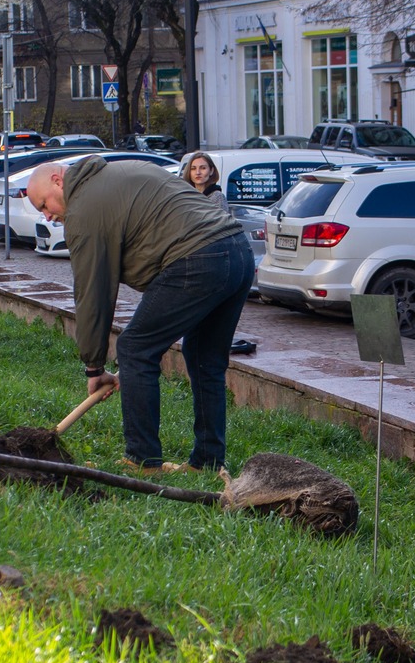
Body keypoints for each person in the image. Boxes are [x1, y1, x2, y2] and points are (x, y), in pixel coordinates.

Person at [23, 154, 254, 471]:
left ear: (58, 181)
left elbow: (93, 293)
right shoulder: (121, 170)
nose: (48, 217)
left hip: (198, 257)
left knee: (135, 348)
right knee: (204, 358)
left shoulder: (84, 211)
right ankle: (208, 462)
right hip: (238, 251)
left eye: (44, 205)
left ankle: (142, 460)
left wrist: (94, 367)